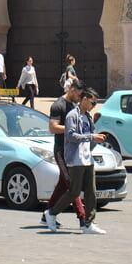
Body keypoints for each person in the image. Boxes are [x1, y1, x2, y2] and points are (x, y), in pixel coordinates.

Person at [45, 88, 106, 234]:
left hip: (87, 158)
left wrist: (97, 139)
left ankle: (88, 223)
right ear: (84, 99)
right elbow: (71, 136)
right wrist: (92, 137)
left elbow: (89, 136)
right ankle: (51, 213)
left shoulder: (89, 117)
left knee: (91, 191)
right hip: (75, 159)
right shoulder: (72, 116)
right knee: (74, 192)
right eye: (92, 102)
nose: (93, 106)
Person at [42, 83, 84, 230]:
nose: (79, 98)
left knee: (63, 184)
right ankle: (83, 218)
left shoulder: (74, 106)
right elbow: (53, 127)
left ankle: (46, 214)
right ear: (72, 90)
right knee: (72, 185)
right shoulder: (58, 105)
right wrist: (71, 130)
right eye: (78, 94)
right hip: (61, 151)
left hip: (71, 151)